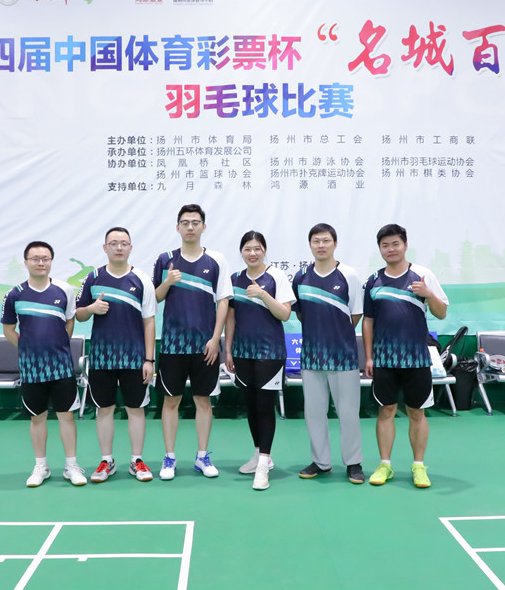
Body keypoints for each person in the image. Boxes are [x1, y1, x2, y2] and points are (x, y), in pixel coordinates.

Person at [362, 224, 448, 489]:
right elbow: (368, 321)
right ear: (380, 249)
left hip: (416, 359)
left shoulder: (422, 275)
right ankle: (385, 465)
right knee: (386, 411)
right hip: (384, 359)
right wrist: (369, 357)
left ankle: (418, 466)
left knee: (416, 413)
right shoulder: (373, 280)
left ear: (405, 245)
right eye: (385, 245)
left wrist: (428, 294)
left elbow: (442, 312)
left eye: (395, 244)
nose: (391, 249)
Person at [152, 204, 232, 480]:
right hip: (172, 345)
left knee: (203, 401)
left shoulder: (216, 260)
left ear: (203, 227)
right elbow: (154, 298)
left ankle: (202, 456)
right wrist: (167, 282)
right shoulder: (165, 260)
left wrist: (215, 338)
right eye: (185, 222)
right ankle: (169, 457)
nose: (190, 227)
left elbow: (223, 301)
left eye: (195, 222)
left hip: (205, 346)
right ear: (177, 227)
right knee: (170, 401)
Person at [2, 241, 87, 487]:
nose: (41, 263)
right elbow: (9, 330)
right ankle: (41, 467)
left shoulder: (64, 290)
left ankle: (71, 466)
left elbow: (69, 322)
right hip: (31, 370)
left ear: (51, 261)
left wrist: (58, 346)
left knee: (66, 416)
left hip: (62, 367)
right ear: (26, 262)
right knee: (37, 418)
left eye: (46, 258)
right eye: (35, 258)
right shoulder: (14, 294)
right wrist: (29, 349)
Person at [75, 227, 157, 482]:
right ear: (105, 248)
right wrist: (92, 308)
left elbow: (149, 322)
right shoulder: (93, 278)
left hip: (135, 359)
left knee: (136, 409)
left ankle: (137, 461)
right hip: (102, 358)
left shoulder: (142, 280)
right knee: (104, 409)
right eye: (113, 243)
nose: (119, 247)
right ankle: (106, 461)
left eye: (123, 243)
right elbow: (79, 314)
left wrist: (149, 360)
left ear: (130, 247)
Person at [292, 223, 365, 484]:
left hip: (343, 356)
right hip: (311, 357)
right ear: (310, 245)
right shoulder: (301, 277)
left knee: (348, 413)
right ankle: (321, 462)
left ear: (335, 243)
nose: (321, 245)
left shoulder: (348, 274)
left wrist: (337, 336)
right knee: (314, 412)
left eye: (325, 240)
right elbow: (301, 313)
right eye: (316, 241)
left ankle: (353, 463)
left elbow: (356, 313)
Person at [224, 231, 295, 491]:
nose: (252, 253)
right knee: (251, 405)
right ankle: (258, 454)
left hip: (270, 352)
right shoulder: (234, 279)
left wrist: (263, 295)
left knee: (265, 406)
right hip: (243, 352)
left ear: (264, 250)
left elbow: (285, 314)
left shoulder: (276, 276)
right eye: (247, 249)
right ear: (241, 252)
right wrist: (228, 350)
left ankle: (264, 464)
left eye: (257, 248)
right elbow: (231, 318)